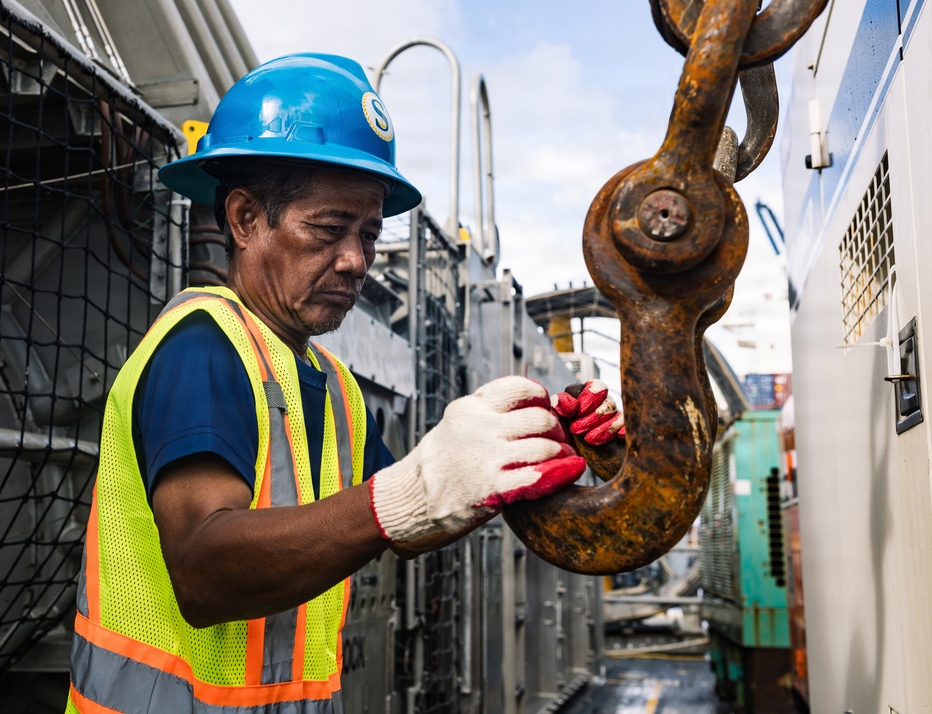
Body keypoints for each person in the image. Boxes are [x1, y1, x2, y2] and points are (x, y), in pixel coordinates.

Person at [65, 53, 621, 714]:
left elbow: (404, 522)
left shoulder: (333, 385)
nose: (356, 260)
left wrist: (530, 451)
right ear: (244, 220)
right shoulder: (203, 346)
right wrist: (411, 491)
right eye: (328, 230)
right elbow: (203, 569)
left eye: (368, 233)